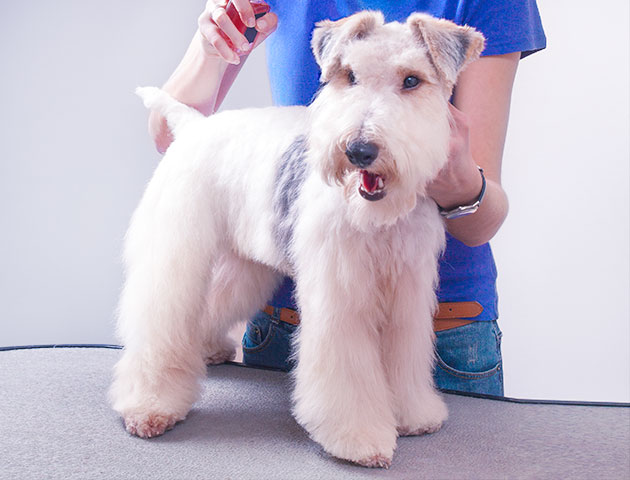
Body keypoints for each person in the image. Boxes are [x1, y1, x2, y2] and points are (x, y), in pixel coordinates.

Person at [149, 0, 546, 396]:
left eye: (410, 82)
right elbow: (171, 137)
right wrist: (208, 47)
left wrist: (454, 179)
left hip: (446, 335)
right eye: (350, 77)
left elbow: (482, 225)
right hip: (285, 323)